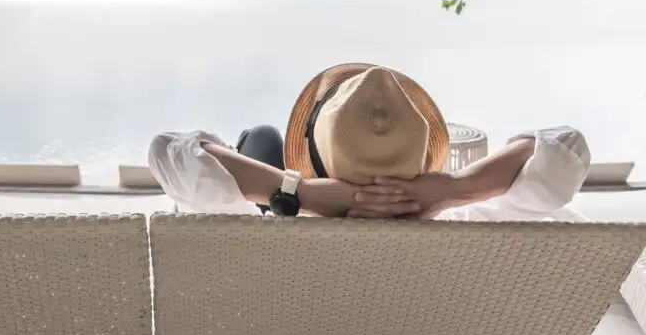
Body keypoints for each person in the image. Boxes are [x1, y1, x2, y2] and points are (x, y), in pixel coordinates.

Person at [147, 63, 590, 220]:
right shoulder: (479, 222)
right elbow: (562, 145)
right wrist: (451, 192)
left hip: (297, 208)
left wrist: (298, 194)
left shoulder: (253, 223)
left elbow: (170, 150)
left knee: (261, 138)